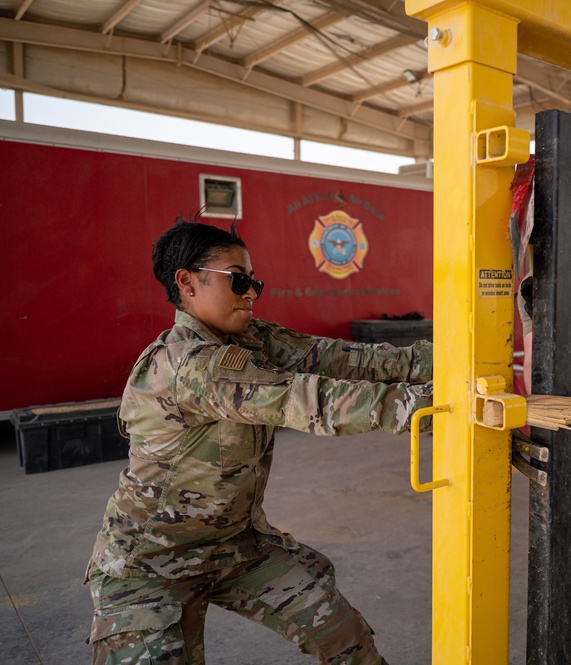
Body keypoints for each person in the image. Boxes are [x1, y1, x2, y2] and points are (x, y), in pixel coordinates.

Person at [86, 216, 433, 665]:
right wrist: (430, 408)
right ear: (187, 283)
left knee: (343, 635)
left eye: (254, 281)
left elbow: (342, 360)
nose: (251, 291)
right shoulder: (187, 365)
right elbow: (306, 400)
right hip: (152, 566)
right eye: (238, 280)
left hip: (234, 546)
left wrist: (443, 359)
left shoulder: (253, 339)